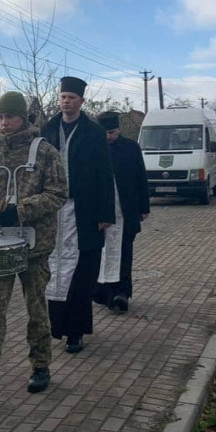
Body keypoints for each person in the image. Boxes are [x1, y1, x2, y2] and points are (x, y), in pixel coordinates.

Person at [0, 92, 67, 412]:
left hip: (34, 246)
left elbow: (59, 194)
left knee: (36, 307)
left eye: (9, 116)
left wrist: (20, 211)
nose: (3, 122)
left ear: (23, 118)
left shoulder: (45, 152)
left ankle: (40, 364)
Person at [42, 77, 115, 353]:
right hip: (53, 209)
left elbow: (105, 174)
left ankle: (75, 332)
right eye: (63, 97)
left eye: (72, 97)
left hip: (83, 211)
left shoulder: (93, 132)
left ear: (81, 101)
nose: (66, 101)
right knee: (53, 270)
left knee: (81, 272)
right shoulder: (47, 129)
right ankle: (55, 327)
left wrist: (105, 212)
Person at [94, 111, 150, 314]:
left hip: (126, 212)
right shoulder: (94, 149)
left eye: (112, 132)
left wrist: (144, 207)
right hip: (100, 214)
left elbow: (140, 178)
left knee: (124, 253)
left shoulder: (131, 148)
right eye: (105, 133)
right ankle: (103, 293)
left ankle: (122, 294)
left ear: (118, 129)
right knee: (101, 254)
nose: (109, 137)